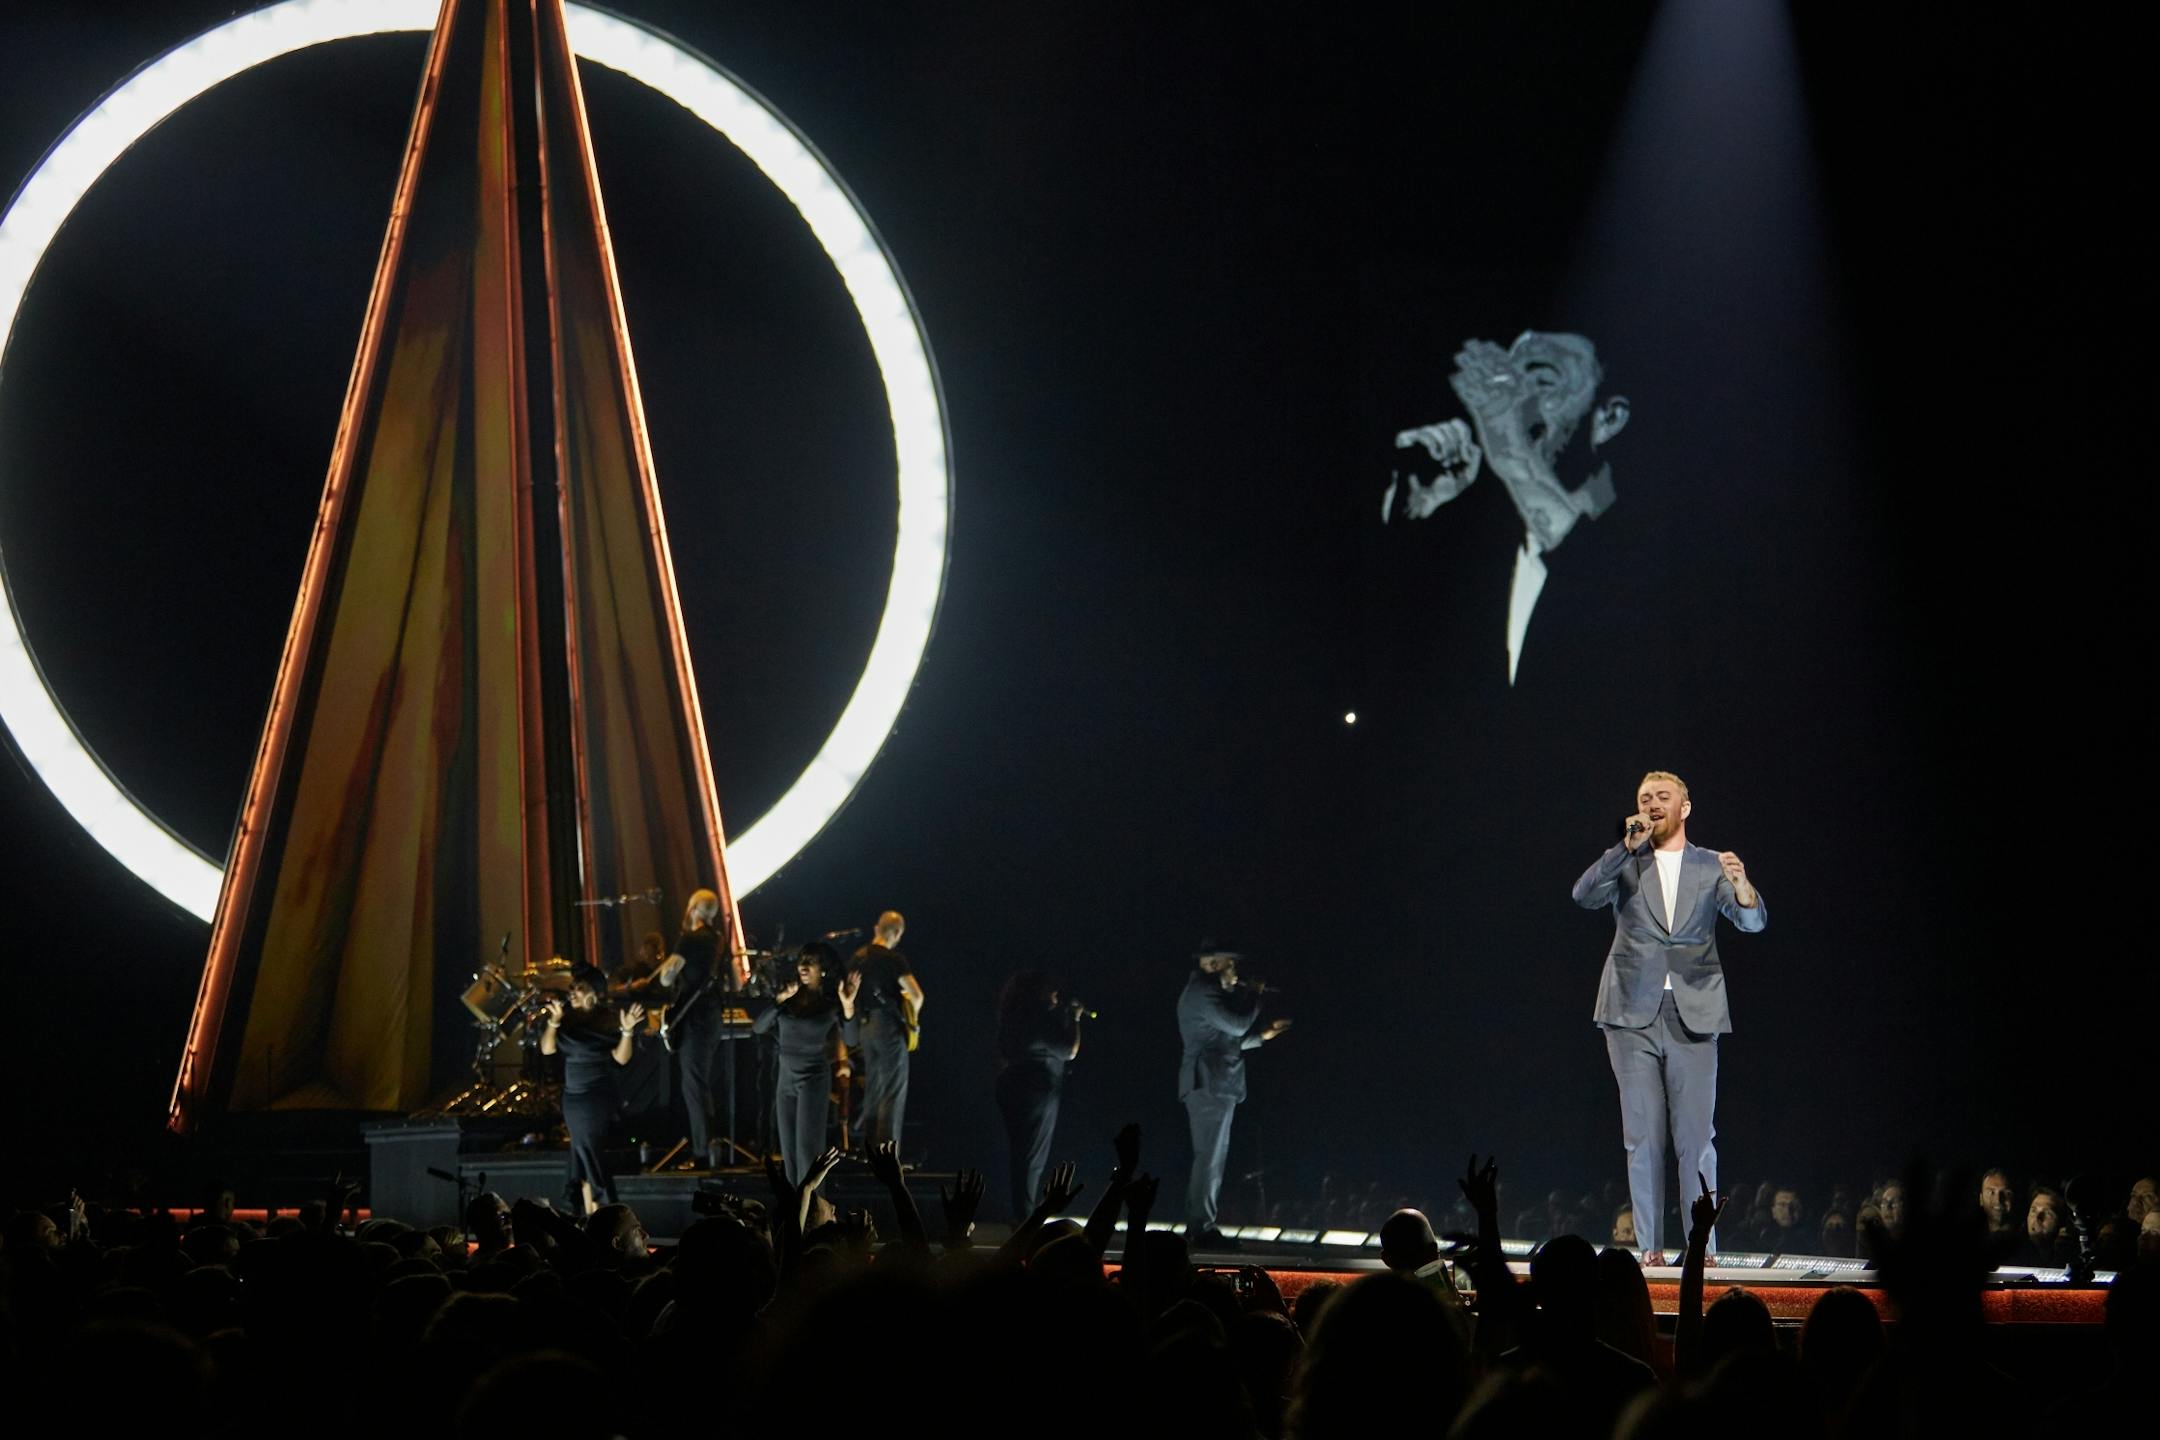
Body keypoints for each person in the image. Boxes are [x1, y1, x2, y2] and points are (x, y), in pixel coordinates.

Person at [1572, 771, 1765, 1260]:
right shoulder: (1627, 860)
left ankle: (1702, 1248)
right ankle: (1650, 1252)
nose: (1652, 803)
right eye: (1644, 798)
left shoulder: (1709, 864)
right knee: (1643, 1137)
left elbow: (1751, 921)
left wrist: (1742, 887)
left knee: (1696, 1139)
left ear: (1685, 807)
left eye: (1663, 796)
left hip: (1694, 1011)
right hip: (1629, 1012)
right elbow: (1583, 895)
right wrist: (1623, 847)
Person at [1176, 947, 1291, 1246]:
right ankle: (1200, 1226)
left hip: (1215, 1083)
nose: (1236, 973)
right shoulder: (1202, 992)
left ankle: (1199, 1224)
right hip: (1209, 1084)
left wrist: (1263, 1035)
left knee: (1211, 1158)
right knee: (1209, 1158)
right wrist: (1254, 994)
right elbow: (1237, 1025)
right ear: (1212, 965)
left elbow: (1228, 1041)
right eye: (1231, 966)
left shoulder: (1208, 993)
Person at [752, 944, 860, 1186]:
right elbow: (758, 1027)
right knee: (789, 1155)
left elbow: (852, 1039)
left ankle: (814, 1212)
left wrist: (848, 1005)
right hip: (786, 1080)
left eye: (810, 962)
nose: (803, 966)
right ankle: (794, 1215)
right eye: (802, 961)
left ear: (823, 969)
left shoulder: (831, 1003)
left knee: (807, 1153)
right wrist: (779, 1000)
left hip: (813, 1079)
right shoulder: (789, 998)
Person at [538, 966, 643, 1215]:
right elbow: (547, 1049)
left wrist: (627, 1031)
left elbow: (620, 1059)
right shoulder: (567, 1019)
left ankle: (603, 1208)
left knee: (586, 1151)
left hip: (596, 1098)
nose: (572, 993)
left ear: (593, 993)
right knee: (582, 1153)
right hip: (572, 1098)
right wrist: (553, 1022)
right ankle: (592, 1213)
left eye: (579, 988)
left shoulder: (608, 1019)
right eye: (572, 988)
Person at [992, 971, 1082, 1220]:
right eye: (1051, 989)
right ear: (1038, 993)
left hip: (1014, 1086)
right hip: (1037, 1090)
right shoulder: (1039, 1018)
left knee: (1021, 1154)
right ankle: (1025, 1219)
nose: (1055, 994)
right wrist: (1073, 1019)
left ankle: (1022, 1214)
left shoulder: (1012, 1017)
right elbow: (1069, 1050)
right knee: (1032, 1156)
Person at [656, 889, 732, 1167]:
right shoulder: (719, 941)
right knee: (701, 1082)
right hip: (713, 1018)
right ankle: (708, 1145)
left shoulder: (689, 939)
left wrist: (666, 967)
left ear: (693, 909)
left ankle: (703, 1151)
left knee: (693, 1085)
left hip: (694, 1019)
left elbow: (666, 978)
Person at [848, 910, 923, 1155]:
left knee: (873, 1088)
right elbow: (917, 995)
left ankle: (869, 1150)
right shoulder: (893, 959)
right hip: (889, 1028)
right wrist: (912, 1021)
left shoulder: (858, 957)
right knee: (892, 1091)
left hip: (864, 1027)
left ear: (876, 928)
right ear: (898, 932)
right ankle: (887, 1156)